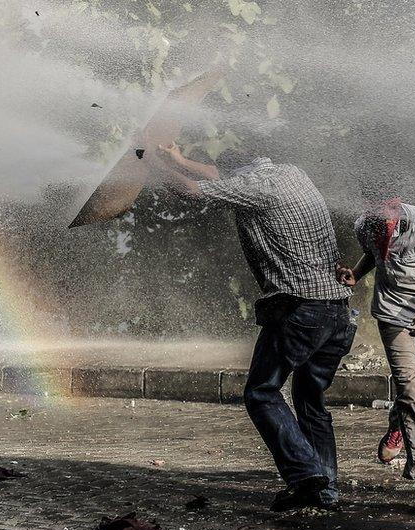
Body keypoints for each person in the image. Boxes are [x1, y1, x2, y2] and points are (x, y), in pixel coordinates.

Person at [148, 141, 356, 511]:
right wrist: (178, 159)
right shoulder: (291, 172)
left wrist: (148, 161)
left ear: (238, 174)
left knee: (261, 392)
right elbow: (218, 179)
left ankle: (306, 475)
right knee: (311, 402)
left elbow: (192, 191)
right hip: (337, 311)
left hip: (300, 310)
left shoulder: (253, 188)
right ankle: (326, 492)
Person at [337, 196, 415, 511]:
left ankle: (398, 425)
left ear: (394, 210)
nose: (378, 227)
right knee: (409, 388)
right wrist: (356, 273)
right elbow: (372, 255)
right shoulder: (364, 226)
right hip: (393, 318)